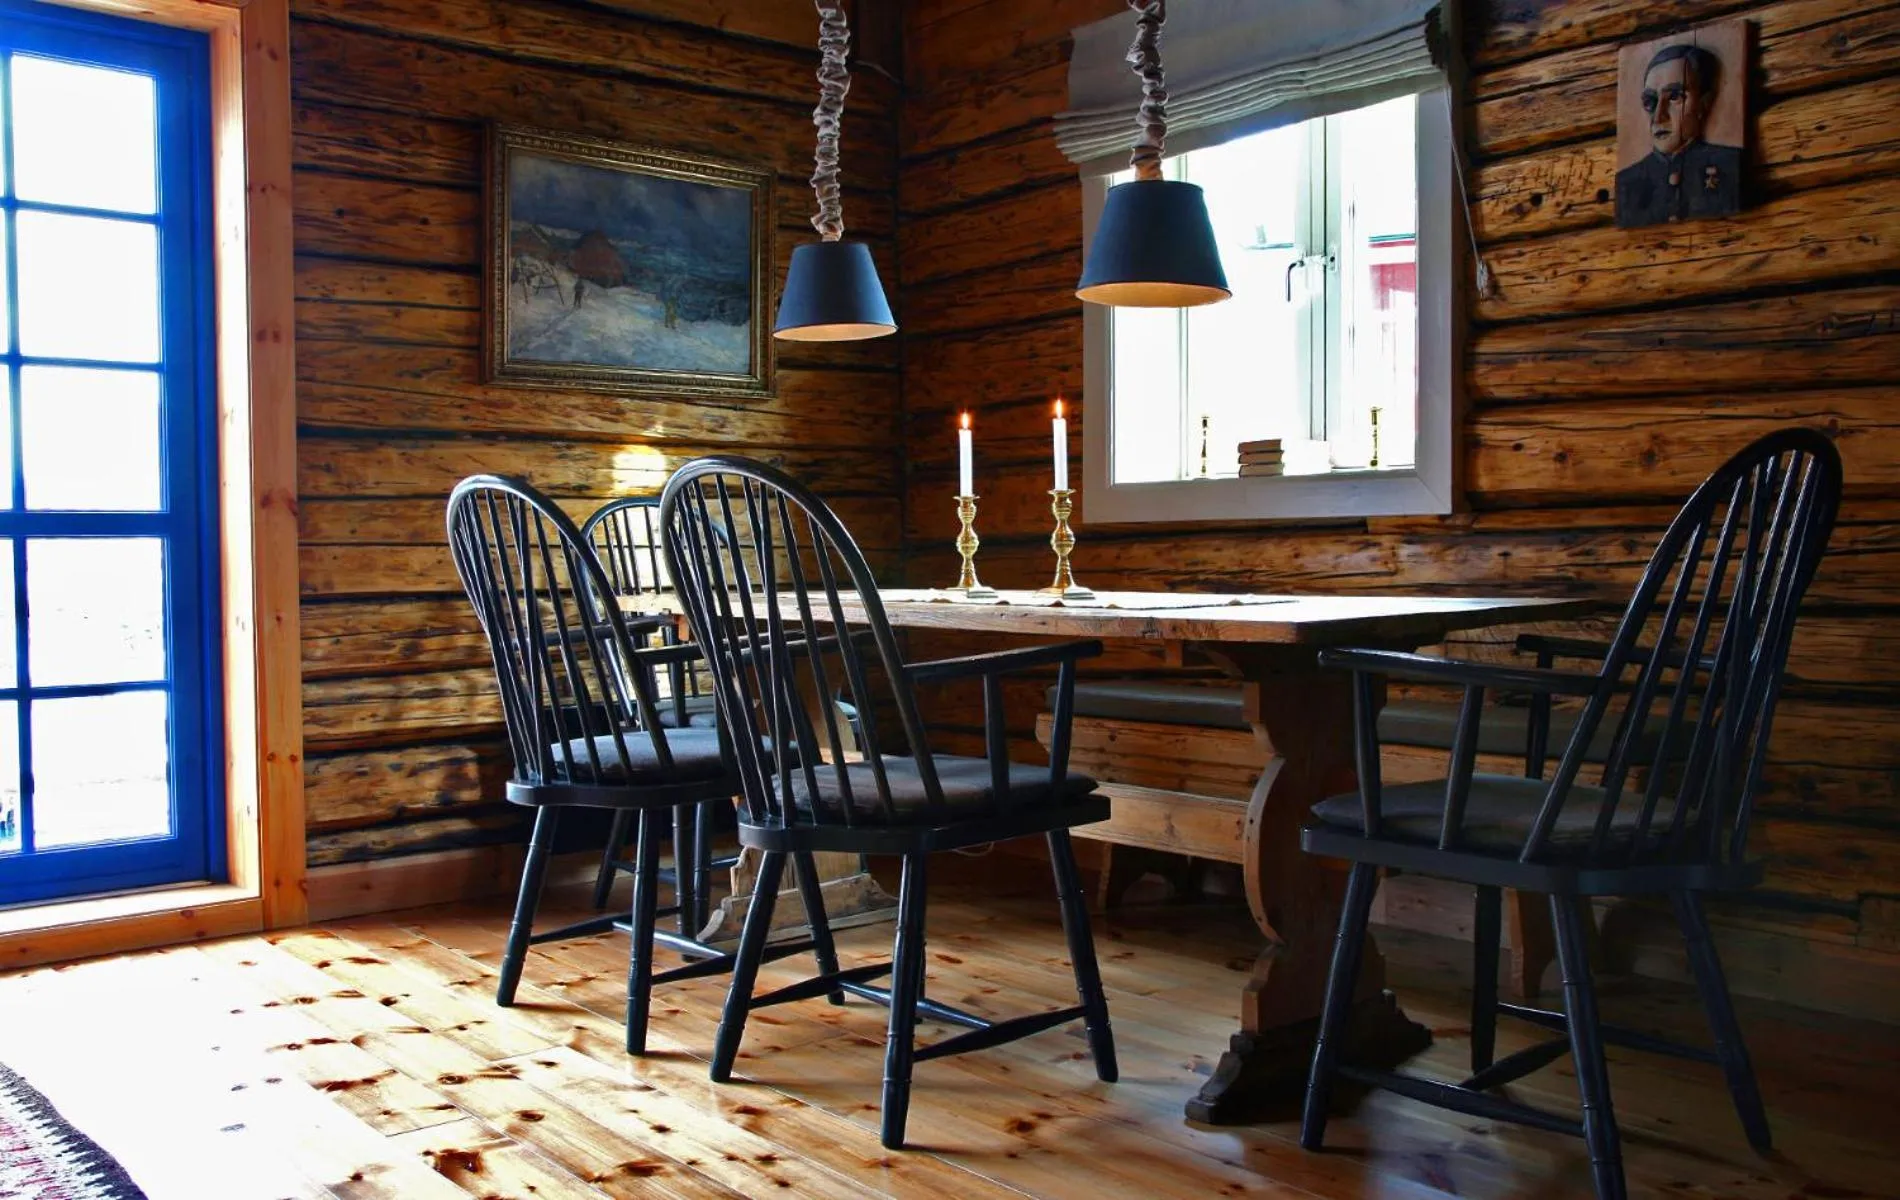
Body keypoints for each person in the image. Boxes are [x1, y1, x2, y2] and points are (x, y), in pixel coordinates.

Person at [1614, 42, 1742, 228]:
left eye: (1675, 97)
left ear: (1704, 103)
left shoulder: (1730, 165)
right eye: (1651, 102)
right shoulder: (1628, 182)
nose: (1659, 116)